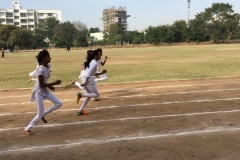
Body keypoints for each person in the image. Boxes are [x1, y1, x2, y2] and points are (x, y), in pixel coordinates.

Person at [24, 49, 62, 135]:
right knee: (40, 113)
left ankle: (42, 114)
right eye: (48, 56)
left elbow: (44, 81)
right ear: (43, 58)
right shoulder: (40, 70)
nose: (50, 57)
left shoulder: (48, 66)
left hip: (45, 89)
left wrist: (49, 85)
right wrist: (54, 83)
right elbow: (41, 84)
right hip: (39, 91)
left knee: (59, 103)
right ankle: (27, 129)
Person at [69, 50, 107, 115]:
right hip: (88, 79)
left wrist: (101, 73)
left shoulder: (91, 61)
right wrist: (86, 81)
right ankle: (81, 95)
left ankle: (80, 110)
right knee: (97, 95)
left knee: (89, 95)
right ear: (95, 55)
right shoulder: (94, 63)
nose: (101, 55)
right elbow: (89, 73)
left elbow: (92, 73)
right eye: (99, 54)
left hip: (85, 77)